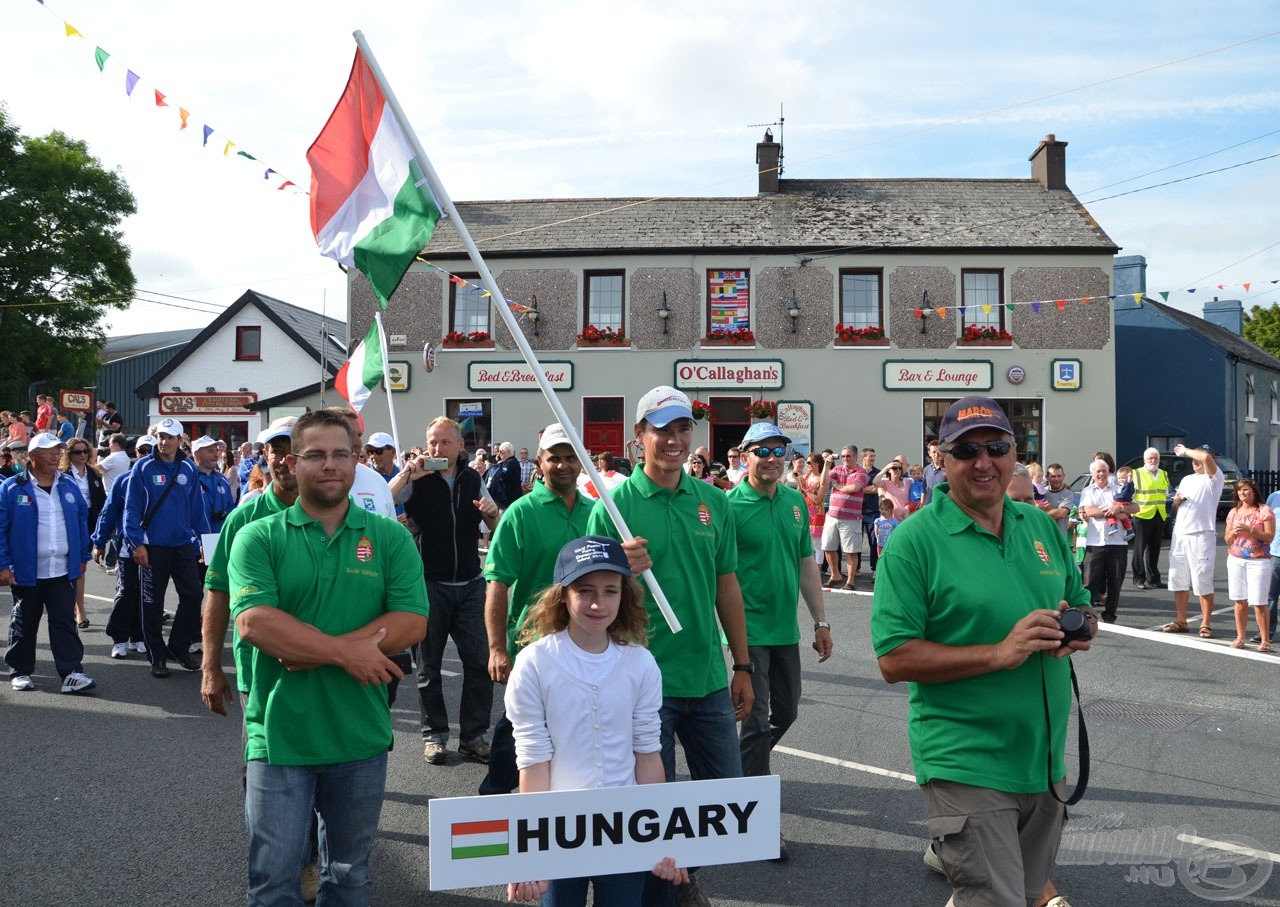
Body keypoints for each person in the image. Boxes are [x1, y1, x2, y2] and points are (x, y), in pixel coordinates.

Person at [871, 396, 1093, 907]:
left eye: (996, 447)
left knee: (1023, 893)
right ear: (941, 461)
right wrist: (999, 652)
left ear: (1016, 453)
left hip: (1042, 761)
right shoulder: (913, 542)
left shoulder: (1038, 525)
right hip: (964, 761)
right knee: (996, 900)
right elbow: (893, 659)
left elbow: (1079, 602)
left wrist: (1081, 628)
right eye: (966, 451)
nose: (983, 462)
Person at [228, 409, 428, 907]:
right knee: (273, 882)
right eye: (315, 455)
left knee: (349, 876)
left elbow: (412, 621)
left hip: (359, 734)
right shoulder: (259, 535)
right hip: (278, 738)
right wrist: (347, 654)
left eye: (341, 454)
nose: (329, 465)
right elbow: (255, 623)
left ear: (358, 461)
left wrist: (312, 651)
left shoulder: (390, 537)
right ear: (292, 464)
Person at [586, 385, 753, 907]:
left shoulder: (713, 501)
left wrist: (742, 664)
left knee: (722, 797)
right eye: (663, 430)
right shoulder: (612, 509)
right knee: (650, 810)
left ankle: (682, 875)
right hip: (641, 685)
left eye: (684, 428)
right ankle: (657, 894)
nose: (676, 439)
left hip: (705, 677)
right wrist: (617, 567)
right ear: (640, 437)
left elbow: (727, 585)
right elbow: (584, 602)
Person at [504, 536, 688, 905]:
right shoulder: (535, 663)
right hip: (559, 829)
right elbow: (534, 761)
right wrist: (529, 852)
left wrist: (664, 838)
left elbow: (648, 755)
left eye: (610, 591)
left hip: (626, 828)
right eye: (584, 590)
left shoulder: (640, 663)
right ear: (562, 595)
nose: (597, 603)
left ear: (624, 596)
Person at [727, 422, 831, 863]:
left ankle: (729, 769)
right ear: (745, 455)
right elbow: (722, 575)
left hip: (785, 631)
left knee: (784, 713)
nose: (772, 457)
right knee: (754, 722)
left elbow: (807, 563)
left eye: (779, 450)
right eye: (762, 450)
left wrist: (820, 621)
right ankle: (759, 824)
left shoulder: (793, 502)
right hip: (748, 633)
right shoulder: (729, 506)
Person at [482, 422, 594, 795]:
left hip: (586, 644)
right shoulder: (520, 513)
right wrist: (497, 647)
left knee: (578, 727)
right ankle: (492, 802)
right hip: (533, 643)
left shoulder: (596, 513)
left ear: (581, 462)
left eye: (570, 458)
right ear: (540, 462)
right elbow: (497, 584)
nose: (562, 465)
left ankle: (560, 808)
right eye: (554, 458)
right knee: (520, 727)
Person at [389, 417, 500, 766]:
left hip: (470, 583)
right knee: (428, 667)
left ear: (459, 446)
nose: (437, 449)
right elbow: (382, 501)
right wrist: (408, 474)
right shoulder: (419, 479)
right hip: (429, 584)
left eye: (444, 443)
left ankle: (473, 736)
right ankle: (434, 735)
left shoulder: (472, 478)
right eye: (432, 442)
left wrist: (494, 514)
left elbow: (494, 523)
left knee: (480, 663)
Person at [201, 417, 299, 716]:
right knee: (263, 757)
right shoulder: (242, 518)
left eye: (293, 449)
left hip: (326, 669)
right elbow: (217, 594)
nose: (284, 460)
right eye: (276, 450)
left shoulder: (333, 513)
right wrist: (210, 667)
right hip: (258, 670)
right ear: (265, 457)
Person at [1, 432, 97, 693]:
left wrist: (82, 557)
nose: (55, 456)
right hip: (26, 569)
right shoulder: (11, 488)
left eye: (58, 451)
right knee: (24, 621)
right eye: (48, 452)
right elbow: (1, 528)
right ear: (32, 457)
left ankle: (71, 673)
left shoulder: (68, 484)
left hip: (62, 568)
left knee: (64, 621)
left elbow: (79, 521)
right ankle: (20, 671)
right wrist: (3, 564)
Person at [123, 417, 210, 678]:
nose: (164, 442)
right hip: (153, 547)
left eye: (170, 437)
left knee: (193, 596)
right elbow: (132, 508)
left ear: (180, 440)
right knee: (152, 603)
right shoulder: (143, 467)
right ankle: (157, 656)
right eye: (161, 436)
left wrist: (206, 542)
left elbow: (198, 509)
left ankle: (178, 646)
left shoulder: (189, 469)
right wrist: (136, 543)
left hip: (183, 545)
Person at [92, 437, 153, 660]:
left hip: (157, 547)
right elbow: (108, 512)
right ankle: (119, 638)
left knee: (148, 595)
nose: (146, 453)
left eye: (150, 450)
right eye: (142, 450)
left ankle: (140, 636)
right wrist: (99, 542)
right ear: (135, 452)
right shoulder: (124, 480)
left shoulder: (165, 478)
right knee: (127, 591)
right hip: (128, 547)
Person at [1163, 444, 1224, 637]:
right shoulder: (1186, 479)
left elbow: (1206, 458)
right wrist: (1176, 501)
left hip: (1201, 534)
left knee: (1202, 580)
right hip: (1180, 534)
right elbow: (1175, 507)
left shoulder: (1214, 478)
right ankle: (1181, 620)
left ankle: (1205, 623)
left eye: (1198, 457)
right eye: (1193, 459)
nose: (1195, 461)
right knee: (1179, 580)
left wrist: (1186, 451)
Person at [1078, 458, 1137, 623]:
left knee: (1115, 583)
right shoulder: (1088, 491)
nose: (1101, 474)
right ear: (1093, 474)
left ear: (1109, 472)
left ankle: (1110, 615)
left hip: (1118, 543)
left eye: (1104, 471)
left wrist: (1121, 508)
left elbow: (1135, 508)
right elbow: (1089, 511)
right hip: (1095, 543)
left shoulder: (1119, 489)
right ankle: (1086, 614)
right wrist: (1113, 512)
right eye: (1098, 471)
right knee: (1089, 583)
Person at [60, 437, 106, 630]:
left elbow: (102, 502)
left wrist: (104, 528)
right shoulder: (61, 474)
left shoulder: (94, 474)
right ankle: (69, 608)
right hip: (66, 522)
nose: (83, 455)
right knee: (65, 567)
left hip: (88, 521)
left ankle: (80, 610)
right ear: (69, 454)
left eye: (85, 451)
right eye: (78, 452)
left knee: (81, 566)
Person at [1224, 479, 1274, 652]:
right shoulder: (1233, 512)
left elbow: (1269, 536)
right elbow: (1227, 539)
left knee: (1259, 602)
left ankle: (1265, 640)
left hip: (1258, 560)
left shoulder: (1263, 511)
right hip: (1236, 559)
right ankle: (1240, 637)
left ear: (1253, 492)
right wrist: (1233, 533)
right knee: (1239, 600)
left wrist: (1250, 530)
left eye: (1246, 490)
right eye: (1239, 491)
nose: (1242, 494)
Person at [821, 446, 867, 590]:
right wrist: (826, 465)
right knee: (828, 547)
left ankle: (851, 581)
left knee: (851, 550)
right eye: (843, 456)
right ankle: (835, 575)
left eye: (848, 456)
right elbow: (824, 482)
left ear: (855, 456)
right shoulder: (837, 469)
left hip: (851, 518)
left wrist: (838, 485)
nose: (845, 459)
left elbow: (853, 488)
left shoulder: (861, 472)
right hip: (832, 516)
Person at [1130, 448, 1170, 589]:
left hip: (1159, 514)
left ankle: (1153, 578)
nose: (1153, 461)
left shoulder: (1164, 474)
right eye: (1150, 458)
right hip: (1142, 514)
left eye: (1155, 458)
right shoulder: (1136, 474)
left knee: (1155, 548)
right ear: (1144, 460)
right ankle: (1138, 578)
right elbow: (1128, 494)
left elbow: (1166, 493)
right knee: (1139, 549)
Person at [801, 453, 827, 564]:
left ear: (817, 463)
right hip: (805, 511)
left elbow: (818, 499)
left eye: (809, 462)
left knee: (817, 545)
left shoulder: (822, 479)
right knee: (806, 544)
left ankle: (817, 571)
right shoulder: (806, 477)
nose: (807, 465)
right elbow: (800, 494)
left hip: (816, 512)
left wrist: (806, 489)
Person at [858, 447, 881, 574]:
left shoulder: (877, 473)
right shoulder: (858, 471)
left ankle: (874, 568)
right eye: (870, 456)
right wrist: (868, 488)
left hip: (873, 512)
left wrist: (859, 487)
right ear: (864, 457)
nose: (872, 458)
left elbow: (876, 489)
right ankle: (856, 569)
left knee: (874, 541)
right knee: (856, 542)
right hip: (857, 511)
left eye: (874, 455)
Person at [486, 441, 523, 510]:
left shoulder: (511, 462)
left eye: (501, 451)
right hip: (505, 498)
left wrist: (493, 466)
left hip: (508, 499)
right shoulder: (506, 462)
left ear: (509, 452)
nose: (499, 454)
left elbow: (501, 475)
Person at [1042, 463, 1074, 537]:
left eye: (1059, 476)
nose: (1056, 479)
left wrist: (1040, 514)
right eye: (1053, 476)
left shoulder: (1068, 494)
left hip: (1059, 538)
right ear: (1047, 477)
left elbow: (1062, 513)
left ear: (1063, 476)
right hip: (1043, 537)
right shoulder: (1041, 492)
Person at [1109, 465, 1136, 541]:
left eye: (1123, 478)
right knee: (1124, 518)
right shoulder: (1120, 486)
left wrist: (1129, 478)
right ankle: (1129, 530)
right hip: (1121, 502)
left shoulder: (1128, 485)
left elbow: (1130, 484)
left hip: (1123, 501)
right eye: (1119, 478)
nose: (1121, 480)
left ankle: (1113, 525)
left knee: (1111, 513)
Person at [922, 439, 945, 504]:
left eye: (938, 452)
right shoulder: (926, 470)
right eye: (934, 452)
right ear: (929, 453)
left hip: (942, 507)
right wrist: (922, 505)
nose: (936, 455)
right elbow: (924, 491)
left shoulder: (947, 470)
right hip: (929, 507)